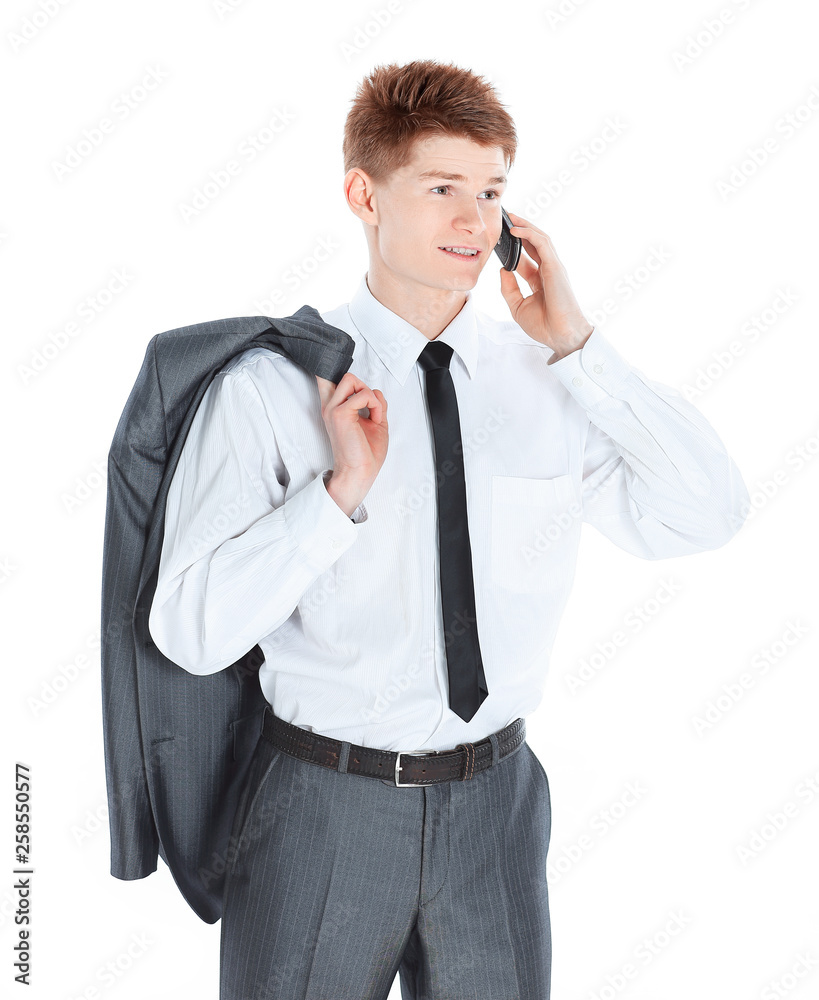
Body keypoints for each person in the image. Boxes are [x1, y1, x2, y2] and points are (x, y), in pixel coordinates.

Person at [147, 58, 750, 1000]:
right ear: (365, 195)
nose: (475, 220)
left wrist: (580, 345)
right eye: (441, 189)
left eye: (492, 191)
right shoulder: (270, 390)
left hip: (494, 815)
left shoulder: (551, 380)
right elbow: (189, 631)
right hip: (321, 812)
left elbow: (706, 514)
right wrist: (335, 497)